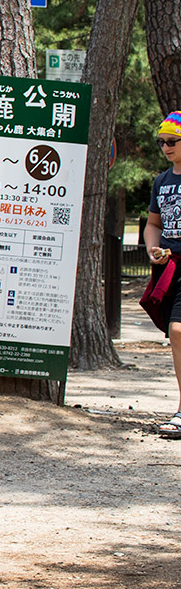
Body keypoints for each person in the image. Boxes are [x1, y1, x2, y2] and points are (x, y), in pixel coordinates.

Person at [145, 111, 181, 439]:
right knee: (175, 332)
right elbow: (154, 223)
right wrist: (151, 248)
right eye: (161, 142)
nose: (165, 147)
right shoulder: (162, 181)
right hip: (171, 268)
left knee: (178, 329)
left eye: (172, 141)